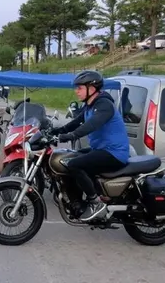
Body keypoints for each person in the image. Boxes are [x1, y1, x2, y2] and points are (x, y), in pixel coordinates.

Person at [49, 70, 130, 222]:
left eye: (79, 88)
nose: (76, 91)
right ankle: (77, 202)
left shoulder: (104, 105)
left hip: (114, 153)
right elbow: (75, 122)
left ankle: (95, 202)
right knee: (69, 158)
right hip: (100, 149)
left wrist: (71, 136)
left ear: (91, 89)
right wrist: (55, 131)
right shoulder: (89, 106)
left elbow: (91, 125)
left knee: (74, 164)